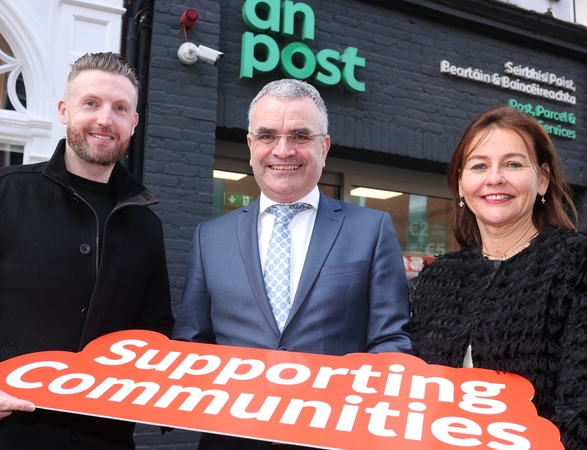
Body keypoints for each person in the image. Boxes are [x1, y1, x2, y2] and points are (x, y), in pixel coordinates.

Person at [0, 52, 175, 449]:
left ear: (134, 123)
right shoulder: (0, 193)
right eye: (90, 103)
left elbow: (154, 331)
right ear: (64, 111)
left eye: (120, 108)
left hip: (106, 440)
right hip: (6, 436)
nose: (104, 119)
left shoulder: (146, 224)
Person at [172, 79, 414, 449]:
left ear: (324, 147)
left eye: (300, 135)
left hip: (334, 438)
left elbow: (389, 341)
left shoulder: (371, 229)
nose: (283, 150)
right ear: (251, 146)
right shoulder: (210, 237)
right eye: (267, 135)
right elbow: (193, 343)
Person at [410, 105, 587, 450]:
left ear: (543, 179)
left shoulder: (581, 262)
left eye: (513, 164)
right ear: (460, 183)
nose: (494, 179)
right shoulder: (438, 278)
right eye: (479, 166)